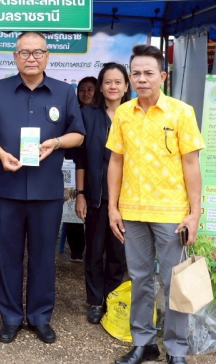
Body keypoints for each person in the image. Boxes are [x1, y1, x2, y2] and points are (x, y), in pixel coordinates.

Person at [0, 31, 85, 344]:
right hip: (6, 188)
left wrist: (56, 142)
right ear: (15, 57)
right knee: (7, 255)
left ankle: (39, 316)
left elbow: (78, 134)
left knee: (42, 257)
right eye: (24, 52)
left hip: (47, 190)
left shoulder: (65, 93)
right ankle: (10, 316)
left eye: (38, 52)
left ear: (48, 56)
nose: (31, 58)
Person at [107, 45, 204, 364]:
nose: (141, 79)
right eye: (135, 73)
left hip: (171, 214)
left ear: (163, 76)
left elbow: (191, 164)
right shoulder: (123, 113)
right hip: (132, 212)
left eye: (149, 73)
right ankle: (144, 343)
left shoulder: (181, 112)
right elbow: (116, 163)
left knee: (175, 281)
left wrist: (194, 213)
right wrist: (113, 207)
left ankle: (176, 349)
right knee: (139, 278)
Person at [73, 64, 130, 324]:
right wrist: (81, 194)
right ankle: (95, 301)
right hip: (96, 196)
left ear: (126, 86)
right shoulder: (88, 116)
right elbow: (81, 160)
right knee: (94, 251)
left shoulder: (135, 116)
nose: (113, 87)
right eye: (108, 82)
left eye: (118, 82)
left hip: (127, 199)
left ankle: (112, 298)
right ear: (100, 86)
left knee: (118, 253)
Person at [64, 75, 99, 262]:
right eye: (82, 89)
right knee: (72, 206)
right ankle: (76, 250)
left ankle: (94, 251)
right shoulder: (72, 113)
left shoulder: (102, 114)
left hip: (92, 168)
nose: (85, 93)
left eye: (90, 89)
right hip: (72, 165)